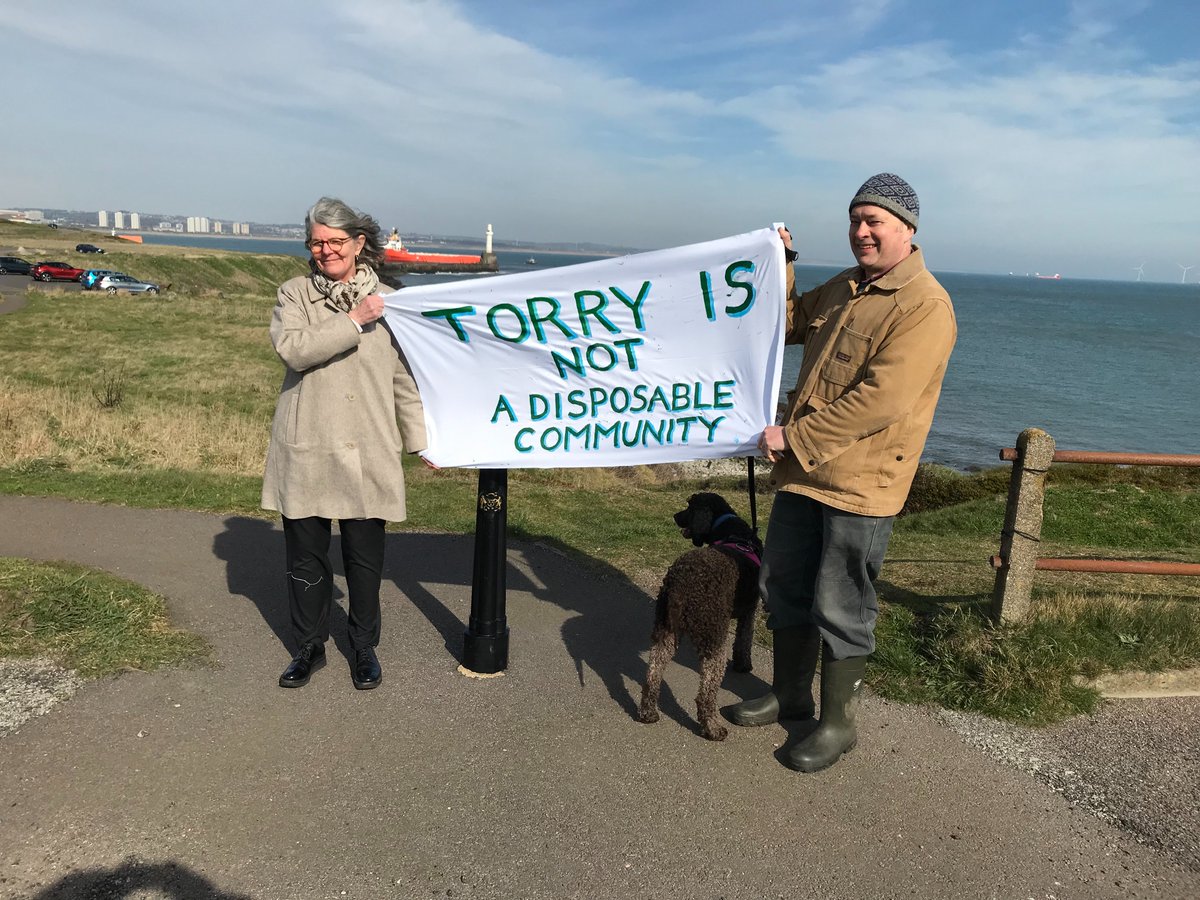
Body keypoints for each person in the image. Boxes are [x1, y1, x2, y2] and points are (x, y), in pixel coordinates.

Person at [728, 174, 957, 772]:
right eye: (856, 219)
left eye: (874, 221)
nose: (861, 231)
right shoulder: (846, 288)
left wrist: (793, 437)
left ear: (907, 229)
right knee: (785, 585)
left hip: (861, 484)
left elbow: (882, 399)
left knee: (842, 602)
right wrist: (779, 264)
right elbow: (786, 326)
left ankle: (837, 724)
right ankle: (790, 694)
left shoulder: (924, 305)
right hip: (805, 474)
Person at [262, 197, 428, 691]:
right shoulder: (293, 294)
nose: (326, 251)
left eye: (336, 241)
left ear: (359, 243)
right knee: (306, 559)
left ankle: (363, 647)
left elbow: (404, 379)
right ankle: (308, 647)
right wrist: (354, 320)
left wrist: (420, 441)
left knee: (364, 560)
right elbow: (294, 350)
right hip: (307, 443)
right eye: (317, 242)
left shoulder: (391, 299)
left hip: (368, 446)